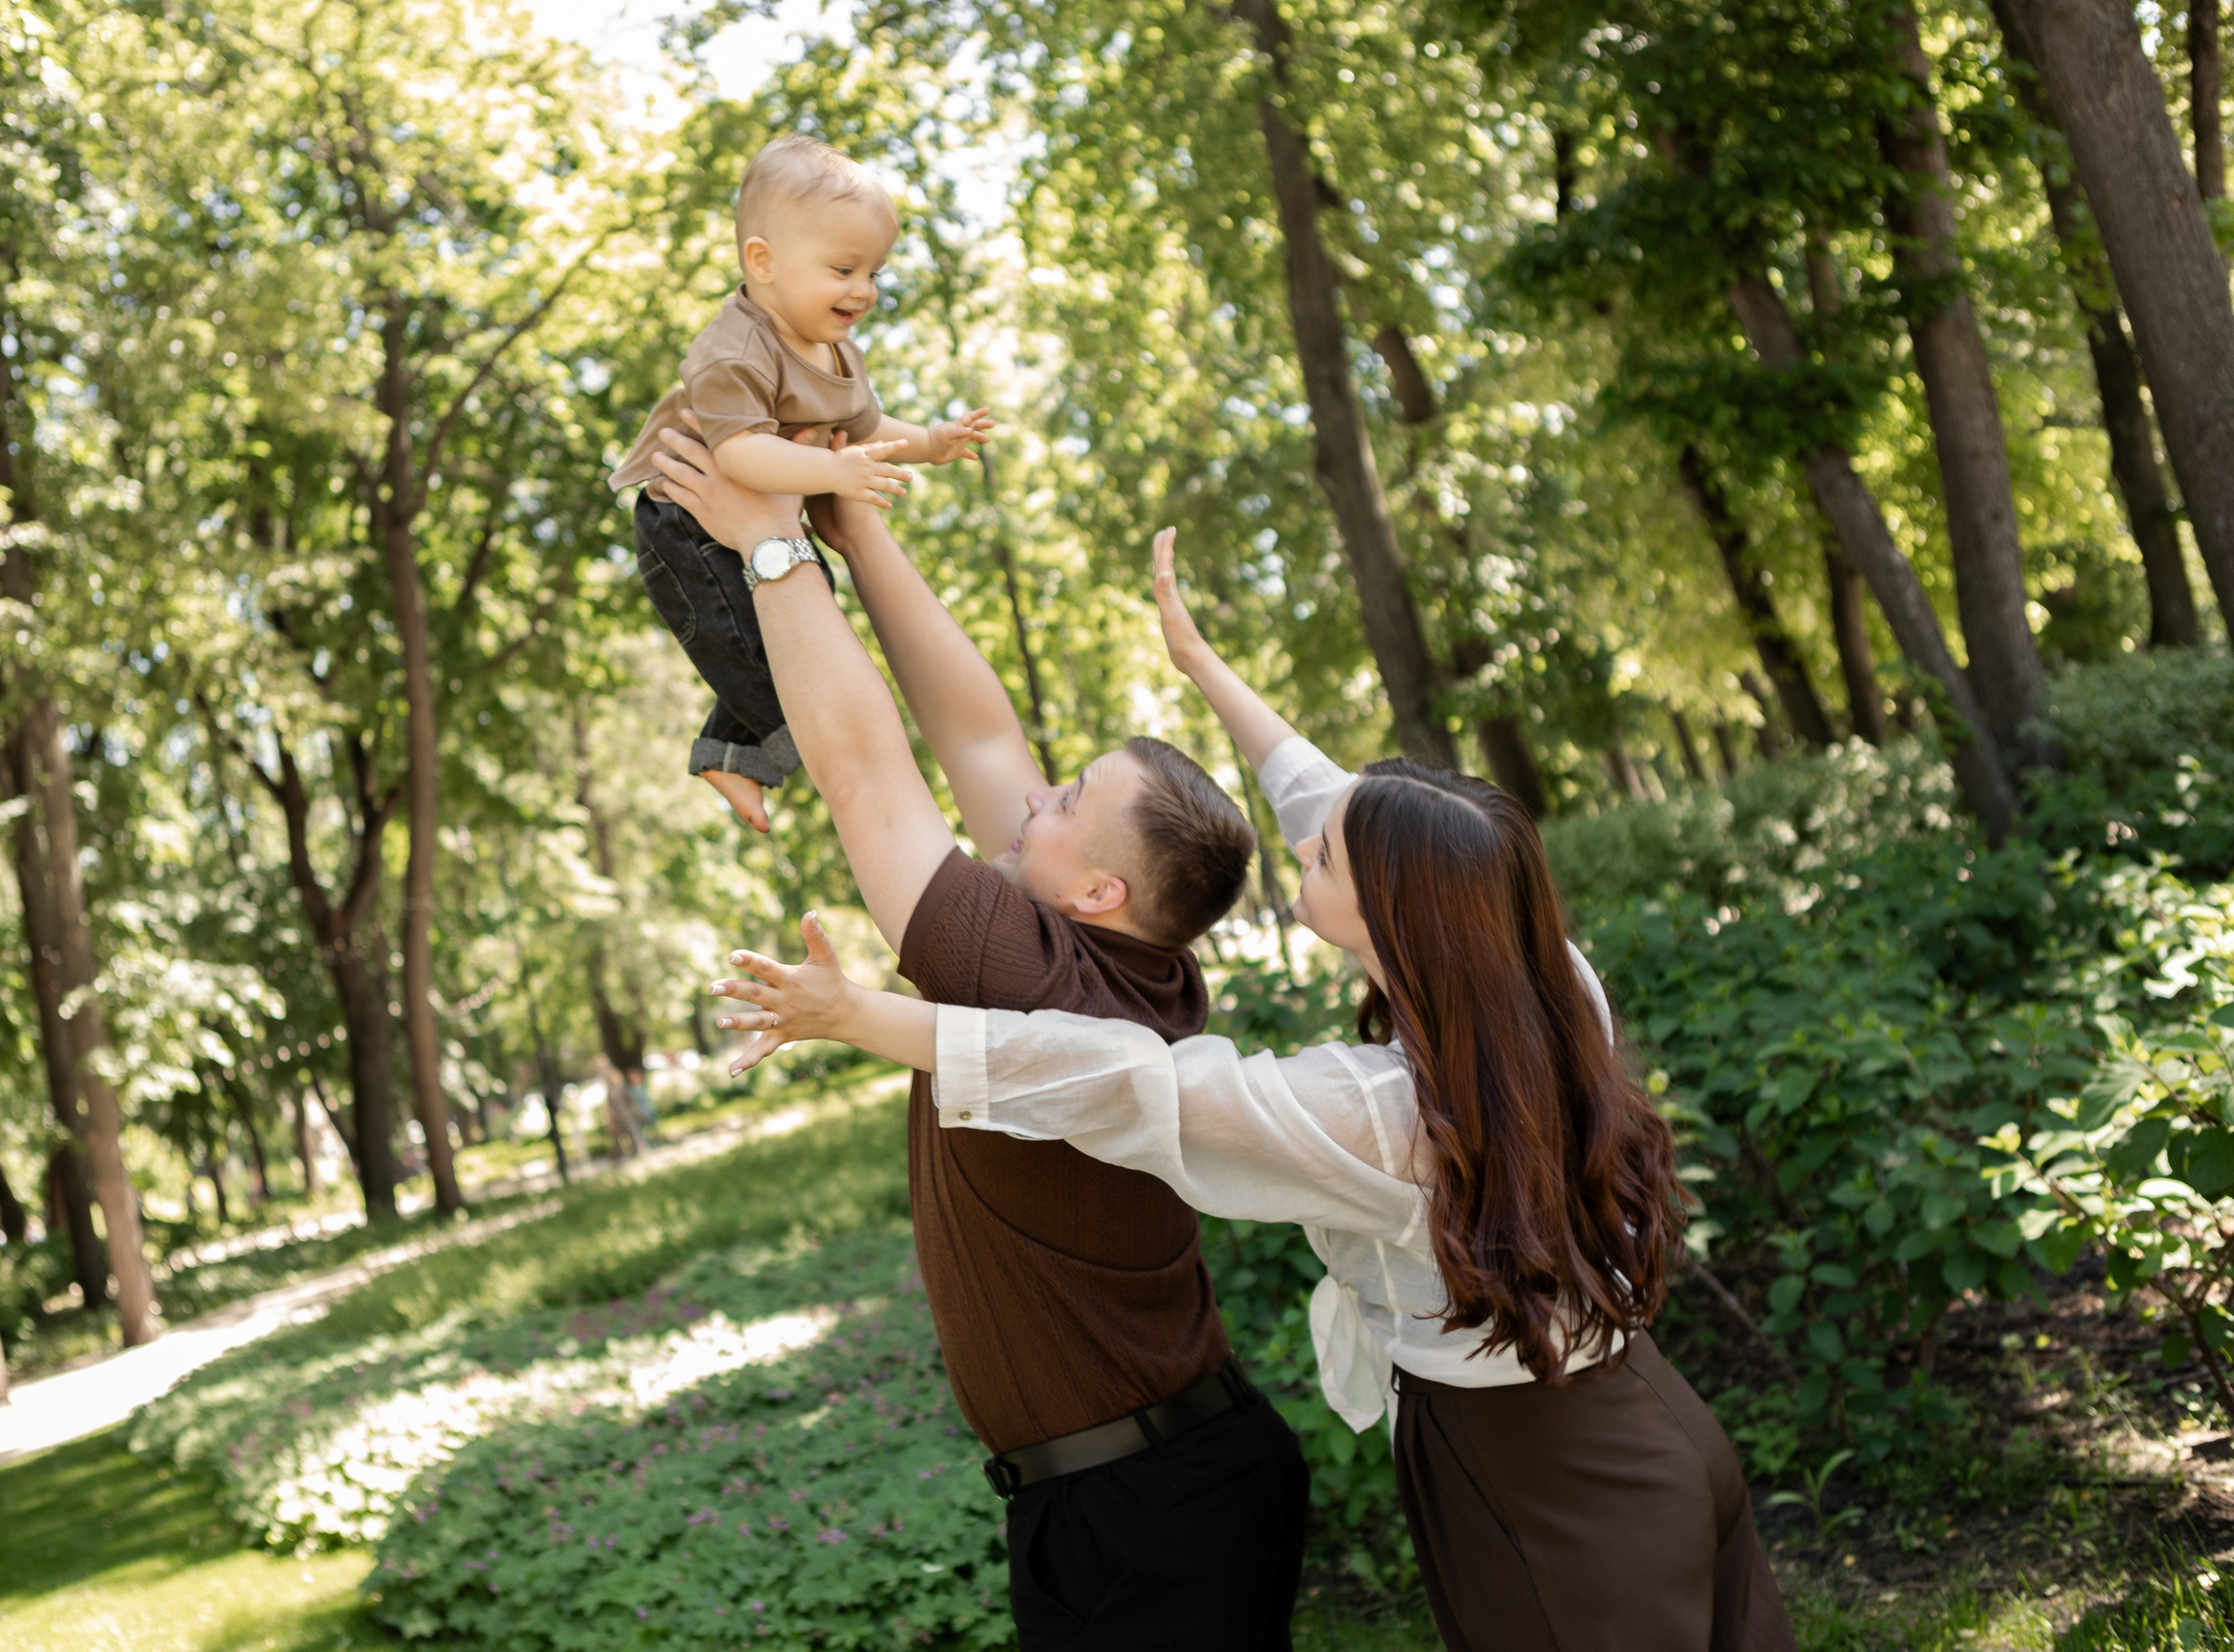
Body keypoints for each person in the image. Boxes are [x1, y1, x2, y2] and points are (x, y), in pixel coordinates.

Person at [708, 530, 1798, 1651]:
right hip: (1652, 1426)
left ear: (1396, 923)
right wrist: (1200, 664)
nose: (1305, 841)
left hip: (1551, 1483)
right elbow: (1338, 801)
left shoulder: (1382, 1114)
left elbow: (1132, 1090)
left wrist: (858, 1018)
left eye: (1324, 858)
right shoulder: (1545, 983)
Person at [649, 435, 1310, 1650]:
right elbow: (978, 731)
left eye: (1064, 805)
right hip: (1139, 1486)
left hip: (1147, 1507)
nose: (1032, 797)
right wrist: (857, 524)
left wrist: (771, 545)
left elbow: (865, 777)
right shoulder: (1132, 966)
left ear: (1101, 890)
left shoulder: (1037, 984)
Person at [608, 135, 993, 833]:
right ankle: (802, 756)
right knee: (773, 657)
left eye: (875, 270)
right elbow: (742, 455)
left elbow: (863, 422)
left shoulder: (834, 345)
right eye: (844, 268)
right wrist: (831, 470)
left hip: (762, 518)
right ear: (764, 262)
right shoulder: (736, 348)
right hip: (687, 523)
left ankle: (730, 751)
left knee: (809, 617)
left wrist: (930, 443)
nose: (865, 290)